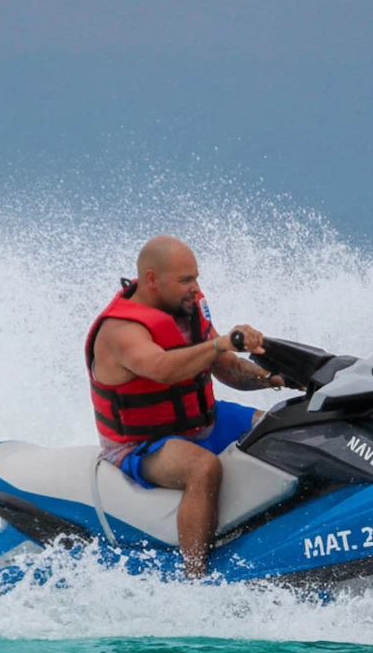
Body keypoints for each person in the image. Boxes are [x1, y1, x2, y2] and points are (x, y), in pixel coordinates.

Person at [85, 235, 292, 578]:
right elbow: (163, 369)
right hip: (141, 442)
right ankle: (195, 577)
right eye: (185, 280)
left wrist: (274, 378)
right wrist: (220, 342)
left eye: (195, 277)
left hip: (201, 421)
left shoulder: (187, 312)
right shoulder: (120, 331)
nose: (195, 288)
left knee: (282, 428)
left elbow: (227, 367)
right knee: (203, 468)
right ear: (151, 280)